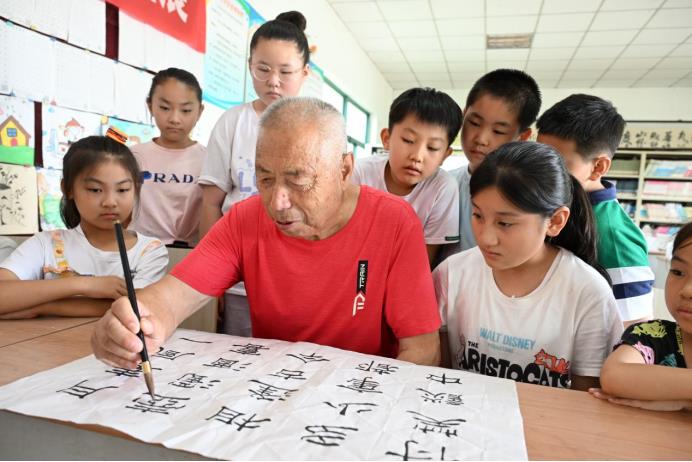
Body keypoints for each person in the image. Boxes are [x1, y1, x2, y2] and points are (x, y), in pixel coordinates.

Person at [91, 97, 441, 368]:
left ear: (344, 169)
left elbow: (421, 350)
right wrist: (135, 323)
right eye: (266, 179)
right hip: (274, 394)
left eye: (298, 180)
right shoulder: (245, 219)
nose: (278, 202)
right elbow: (172, 298)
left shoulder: (394, 223)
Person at [433, 142, 623, 390]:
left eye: (505, 223)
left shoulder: (588, 292)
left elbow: (585, 397)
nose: (486, 238)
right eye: (478, 215)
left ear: (555, 221)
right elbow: (439, 375)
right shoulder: (452, 274)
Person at [199, 11, 310, 337]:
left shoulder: (315, 127)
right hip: (238, 277)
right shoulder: (233, 122)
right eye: (263, 69)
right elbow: (210, 204)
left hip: (298, 275)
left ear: (304, 73)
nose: (273, 81)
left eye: (285, 72)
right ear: (249, 67)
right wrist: (210, 276)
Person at [0, 136, 168, 319]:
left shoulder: (149, 251)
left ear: (135, 189)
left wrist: (42, 306)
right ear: (68, 189)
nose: (110, 202)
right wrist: (84, 284)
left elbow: (137, 308)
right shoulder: (46, 243)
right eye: (95, 189)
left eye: (122, 190)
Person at [537, 94, 654, 327]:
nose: (542, 172)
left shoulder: (615, 236)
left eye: (558, 163)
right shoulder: (551, 204)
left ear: (598, 166)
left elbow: (635, 329)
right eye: (539, 157)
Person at [352, 87, 461, 266]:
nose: (417, 156)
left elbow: (423, 262)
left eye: (433, 148)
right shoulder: (359, 173)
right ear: (386, 138)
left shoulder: (443, 188)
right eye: (408, 141)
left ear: (445, 155)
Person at [590, 222, 692, 411]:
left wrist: (683, 401)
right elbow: (614, 377)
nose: (687, 290)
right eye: (678, 272)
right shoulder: (653, 334)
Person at [441, 69, 541, 257]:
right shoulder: (444, 185)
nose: (481, 139)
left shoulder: (528, 197)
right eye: (474, 123)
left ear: (522, 136)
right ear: (464, 115)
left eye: (498, 131)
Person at [130, 68, 206, 247]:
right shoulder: (131, 157)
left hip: (190, 253)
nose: (174, 119)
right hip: (138, 251)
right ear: (150, 106)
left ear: (199, 111)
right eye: (164, 108)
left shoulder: (209, 159)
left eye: (186, 110)